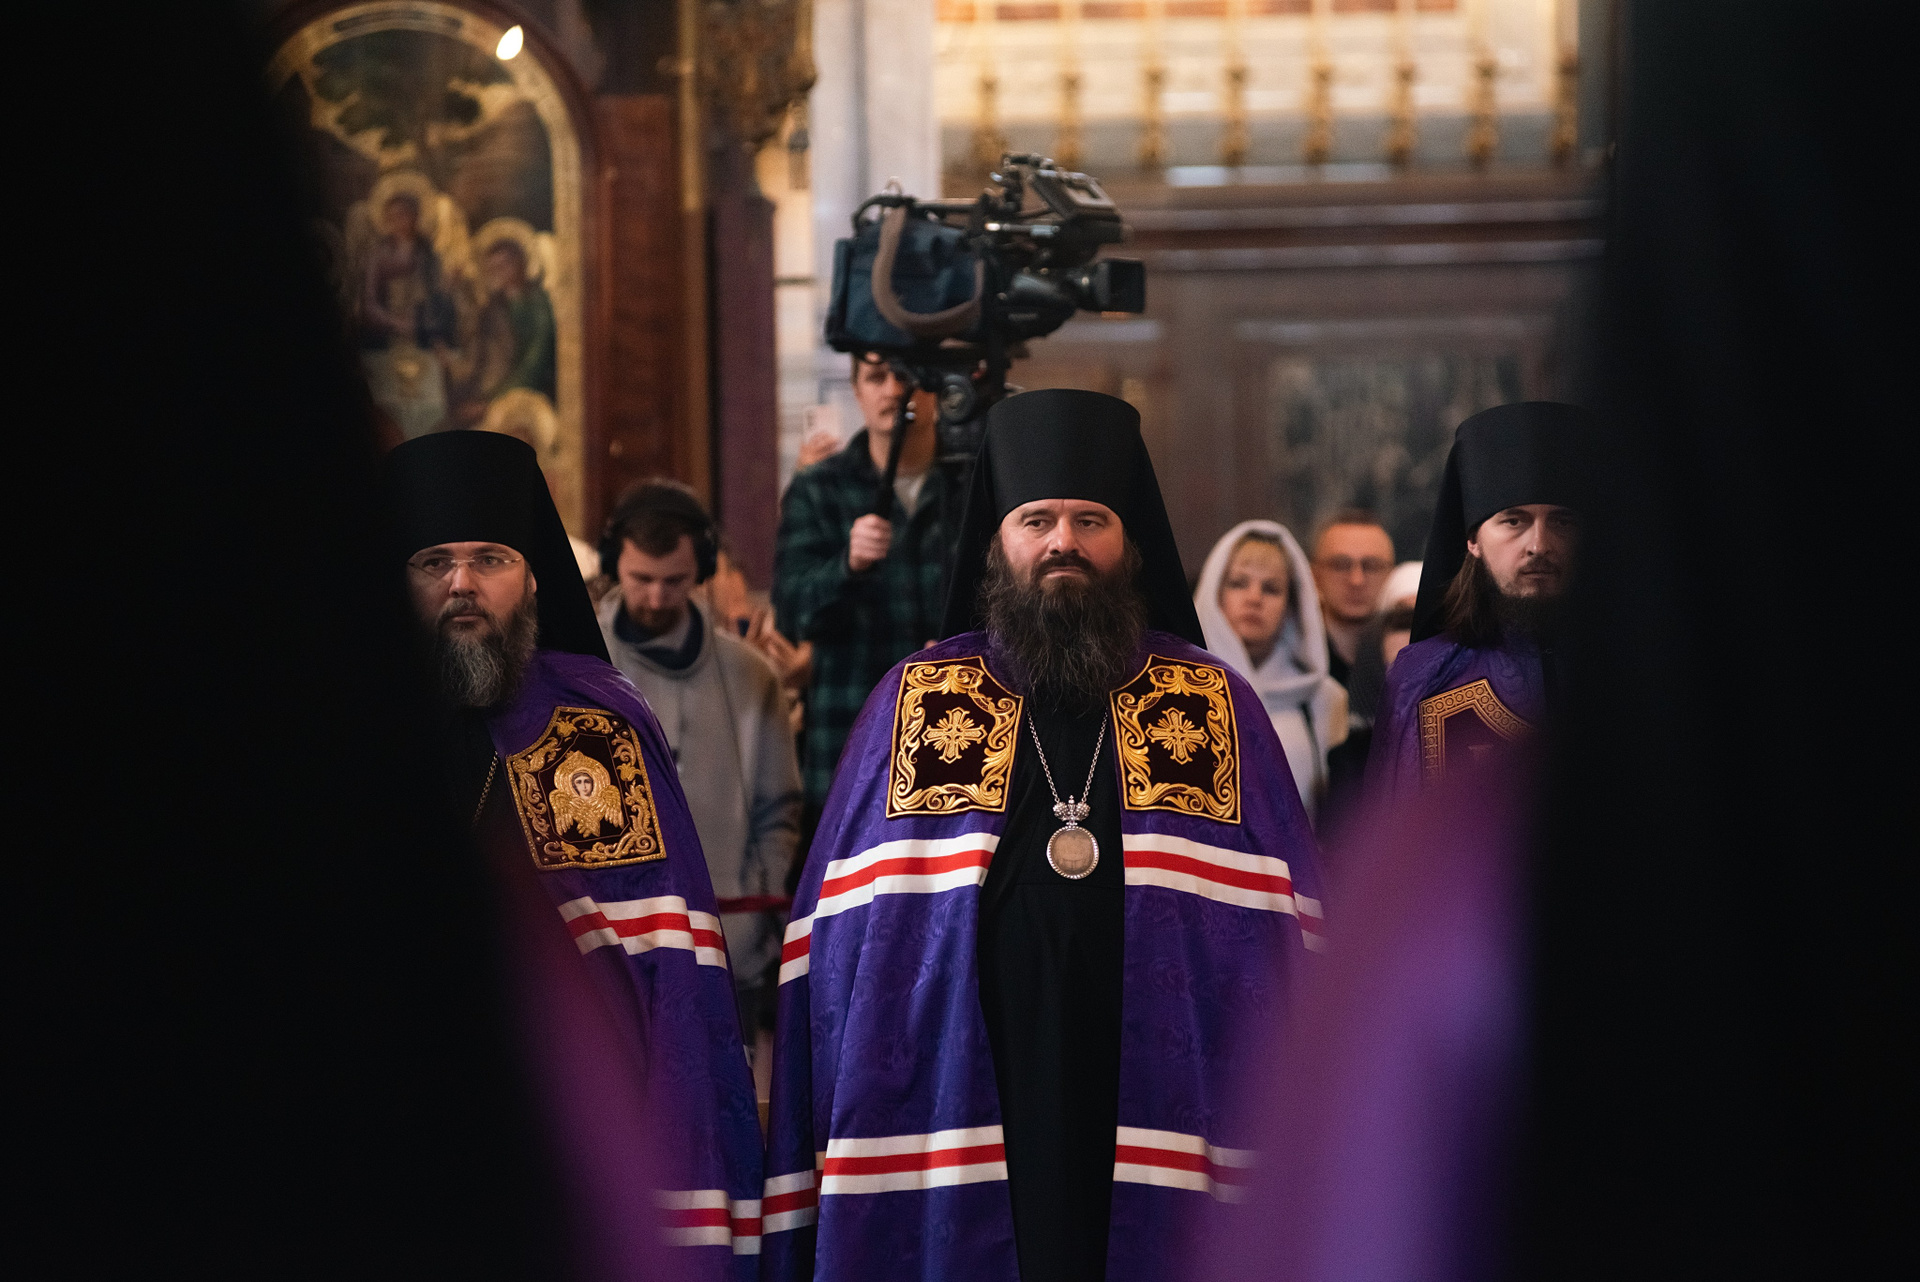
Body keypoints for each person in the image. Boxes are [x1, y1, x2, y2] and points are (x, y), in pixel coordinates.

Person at [761, 389, 1325, 1282]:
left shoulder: (1211, 703)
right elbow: (843, 952)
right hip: (964, 1085)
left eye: (1090, 520)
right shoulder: (919, 701)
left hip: (1161, 1084)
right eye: (1037, 521)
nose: (1064, 542)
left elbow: (1279, 947)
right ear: (998, 542)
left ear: (1129, 543)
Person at [383, 431, 764, 1274]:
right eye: (434, 562)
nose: (461, 584)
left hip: (561, 1128)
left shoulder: (596, 733)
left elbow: (667, 986)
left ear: (532, 578)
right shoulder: (336, 732)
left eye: (490, 559)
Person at [595, 480, 803, 1053]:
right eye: (641, 579)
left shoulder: (751, 676)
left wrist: (756, 908)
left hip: (729, 951)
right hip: (607, 956)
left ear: (703, 569)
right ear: (614, 565)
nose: (656, 597)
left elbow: (779, 809)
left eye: (675, 581)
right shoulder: (581, 670)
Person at [772, 351, 969, 830]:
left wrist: (965, 643)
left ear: (932, 387)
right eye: (876, 377)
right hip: (852, 735)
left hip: (958, 731)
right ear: (857, 391)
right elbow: (793, 612)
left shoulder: (972, 483)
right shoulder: (819, 487)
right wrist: (847, 565)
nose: (893, 390)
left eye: (905, 375)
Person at [1367, 401, 1593, 799]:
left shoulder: (1644, 669)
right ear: (1473, 539)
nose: (1539, 545)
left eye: (1562, 521)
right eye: (1514, 521)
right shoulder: (1422, 680)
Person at [1194, 521, 1347, 819]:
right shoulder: (1178, 689)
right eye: (1239, 583)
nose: (1254, 598)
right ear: (1214, 594)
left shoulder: (1324, 698)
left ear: (1292, 606)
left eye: (1271, 588)